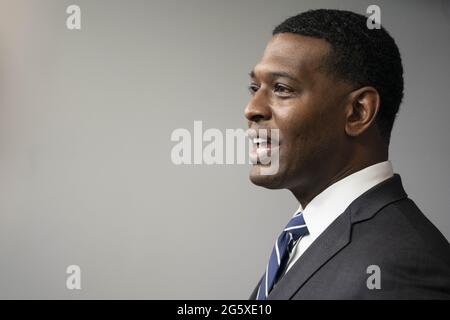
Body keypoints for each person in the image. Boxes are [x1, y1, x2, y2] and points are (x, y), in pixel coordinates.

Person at [245, 9, 450, 300]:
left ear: (358, 112)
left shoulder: (403, 269)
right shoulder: (302, 237)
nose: (252, 108)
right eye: (254, 87)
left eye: (281, 88)